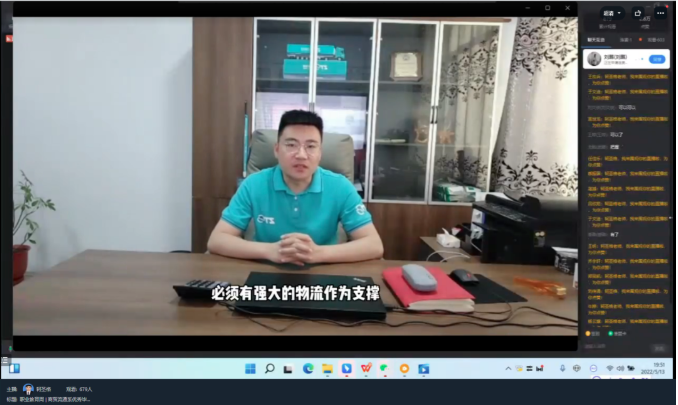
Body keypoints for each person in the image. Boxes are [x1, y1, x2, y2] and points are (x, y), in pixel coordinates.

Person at [207, 109, 384, 266]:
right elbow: (217, 240)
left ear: (320, 153)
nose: (301, 155)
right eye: (291, 145)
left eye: (311, 146)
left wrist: (317, 253)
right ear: (277, 150)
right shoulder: (253, 184)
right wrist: (270, 251)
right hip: (266, 269)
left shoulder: (340, 187)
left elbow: (373, 245)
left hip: (323, 271)